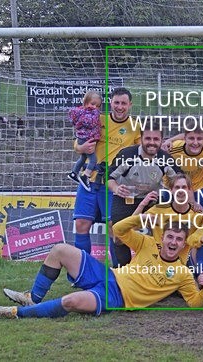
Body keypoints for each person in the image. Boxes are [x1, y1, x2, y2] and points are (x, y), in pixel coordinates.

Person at [0, 215, 203, 319]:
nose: (173, 242)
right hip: (108, 274)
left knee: (70, 301)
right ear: (164, 238)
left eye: (178, 240)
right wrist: (141, 219)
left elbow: (194, 303)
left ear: (183, 244)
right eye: (170, 237)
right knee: (59, 250)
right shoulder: (148, 243)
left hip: (117, 297)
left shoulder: (182, 273)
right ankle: (33, 297)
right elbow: (119, 230)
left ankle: (18, 313)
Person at [71, 87, 141, 256]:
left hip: (114, 184)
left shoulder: (136, 126)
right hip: (90, 179)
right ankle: (82, 272)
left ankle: (118, 273)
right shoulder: (97, 119)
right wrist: (80, 147)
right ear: (111, 103)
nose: (119, 107)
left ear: (130, 105)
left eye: (124, 103)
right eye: (116, 102)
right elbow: (78, 142)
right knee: (81, 223)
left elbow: (142, 151)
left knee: (114, 227)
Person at [108, 121, 182, 266]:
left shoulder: (165, 158)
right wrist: (116, 188)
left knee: (162, 234)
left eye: (156, 139)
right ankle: (122, 271)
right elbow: (109, 178)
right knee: (119, 236)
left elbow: (180, 182)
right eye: (148, 138)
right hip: (125, 198)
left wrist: (190, 202)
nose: (152, 143)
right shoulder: (127, 155)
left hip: (152, 200)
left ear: (162, 140)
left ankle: (158, 269)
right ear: (141, 139)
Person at [67, 90, 103, 191]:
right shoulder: (88, 115)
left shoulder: (83, 112)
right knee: (93, 159)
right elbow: (91, 123)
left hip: (83, 138)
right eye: (93, 104)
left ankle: (74, 173)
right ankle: (85, 176)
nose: (95, 107)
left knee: (83, 159)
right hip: (86, 139)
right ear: (85, 102)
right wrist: (96, 113)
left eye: (98, 106)